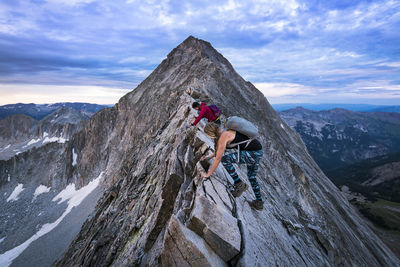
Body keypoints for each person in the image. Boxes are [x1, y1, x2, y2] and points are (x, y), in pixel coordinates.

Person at [200, 122, 264, 210]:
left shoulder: (224, 137)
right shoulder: (225, 132)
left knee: (225, 160)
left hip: (253, 153)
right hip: (258, 150)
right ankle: (259, 202)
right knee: (251, 177)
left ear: (211, 134)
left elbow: (218, 158)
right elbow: (219, 151)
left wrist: (208, 174)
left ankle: (239, 184)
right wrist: (208, 157)